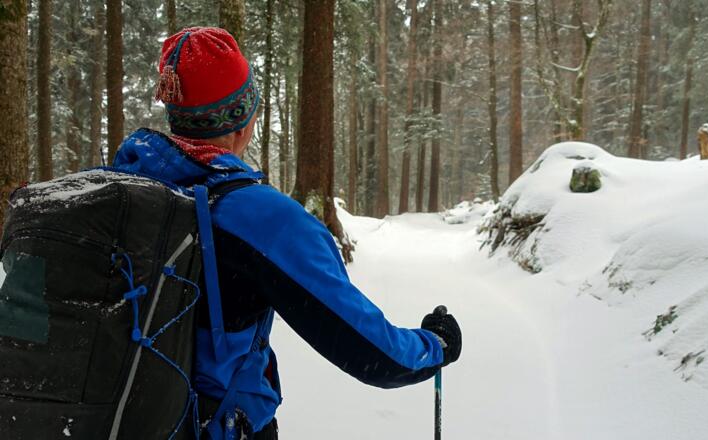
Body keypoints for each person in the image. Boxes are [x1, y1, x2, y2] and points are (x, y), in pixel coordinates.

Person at [112, 27, 462, 439]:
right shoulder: (261, 217)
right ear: (244, 121)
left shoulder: (116, 190)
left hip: (116, 422)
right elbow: (373, 353)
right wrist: (434, 346)